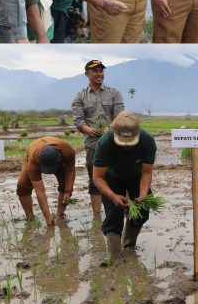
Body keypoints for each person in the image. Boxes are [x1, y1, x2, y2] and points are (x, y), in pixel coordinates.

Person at [92, 111, 157, 261]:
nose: (126, 146)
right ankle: (114, 257)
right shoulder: (105, 142)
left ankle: (128, 246)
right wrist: (112, 195)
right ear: (115, 132)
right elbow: (97, 177)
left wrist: (142, 195)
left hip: (136, 176)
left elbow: (146, 173)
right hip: (112, 177)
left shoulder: (147, 140)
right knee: (114, 214)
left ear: (138, 133)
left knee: (141, 211)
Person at [71, 60, 125, 215]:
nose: (99, 74)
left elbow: (120, 115)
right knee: (95, 179)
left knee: (120, 175)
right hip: (93, 143)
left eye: (101, 71)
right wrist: (88, 129)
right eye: (95, 71)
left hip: (115, 141)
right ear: (87, 74)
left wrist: (109, 128)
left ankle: (122, 207)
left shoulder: (114, 93)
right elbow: (78, 120)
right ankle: (97, 216)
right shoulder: (80, 96)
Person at [16, 136, 76, 226]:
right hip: (34, 156)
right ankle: (30, 217)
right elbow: (40, 191)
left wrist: (68, 191)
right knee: (22, 186)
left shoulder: (67, 151)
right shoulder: (33, 160)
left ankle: (60, 215)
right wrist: (47, 217)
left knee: (64, 187)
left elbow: (70, 170)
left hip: (59, 162)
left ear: (59, 157)